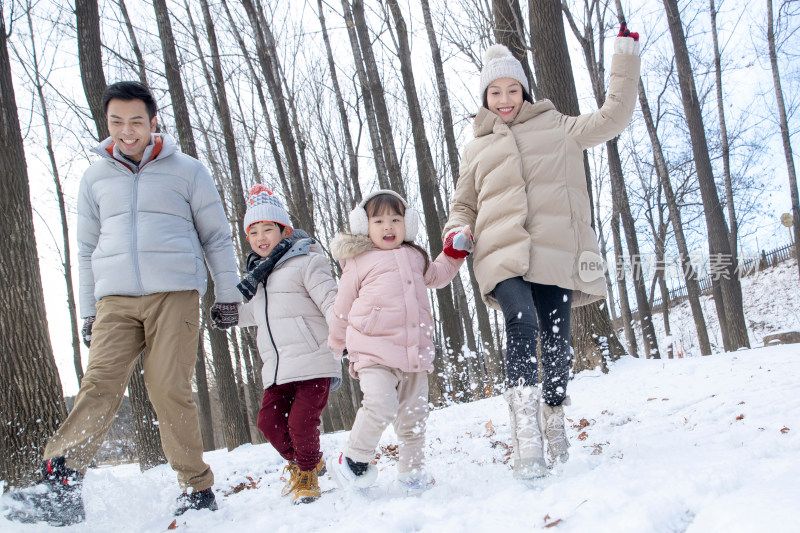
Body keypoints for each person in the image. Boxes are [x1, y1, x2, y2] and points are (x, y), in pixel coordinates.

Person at [7, 81, 241, 526]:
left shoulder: (188, 170)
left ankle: (197, 489)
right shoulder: (94, 177)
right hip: (114, 298)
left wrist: (226, 294)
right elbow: (86, 247)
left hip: (173, 292)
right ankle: (61, 483)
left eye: (136, 121)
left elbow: (216, 236)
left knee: (167, 388)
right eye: (117, 121)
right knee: (100, 382)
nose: (126, 131)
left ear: (153, 122)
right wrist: (88, 311)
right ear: (107, 123)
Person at [442, 24, 642, 479]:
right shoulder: (475, 148)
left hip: (553, 254)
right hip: (500, 254)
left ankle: (553, 415)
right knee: (521, 322)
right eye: (495, 91)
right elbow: (464, 204)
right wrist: (457, 231)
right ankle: (525, 432)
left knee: (556, 342)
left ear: (525, 91)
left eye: (513, 89)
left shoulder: (558, 127)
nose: (505, 98)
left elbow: (611, 118)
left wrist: (625, 59)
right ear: (485, 98)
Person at [326, 190, 470, 494]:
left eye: (395, 219)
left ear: (408, 223)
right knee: (380, 404)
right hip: (373, 351)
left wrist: (454, 253)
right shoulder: (358, 260)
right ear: (364, 226)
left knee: (414, 417)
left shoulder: (415, 256)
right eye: (378, 220)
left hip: (413, 354)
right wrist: (336, 345)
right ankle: (353, 459)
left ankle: (412, 473)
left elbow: (439, 275)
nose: (388, 226)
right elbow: (342, 306)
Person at [235, 185, 340, 505]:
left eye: (269, 229)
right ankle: (308, 462)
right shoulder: (258, 276)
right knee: (268, 423)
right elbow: (252, 314)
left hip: (313, 358)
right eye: (254, 232)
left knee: (300, 422)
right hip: (278, 368)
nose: (261, 237)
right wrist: (228, 315)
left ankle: (307, 474)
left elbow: (330, 299)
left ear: (285, 231)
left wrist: (344, 332)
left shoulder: (306, 260)